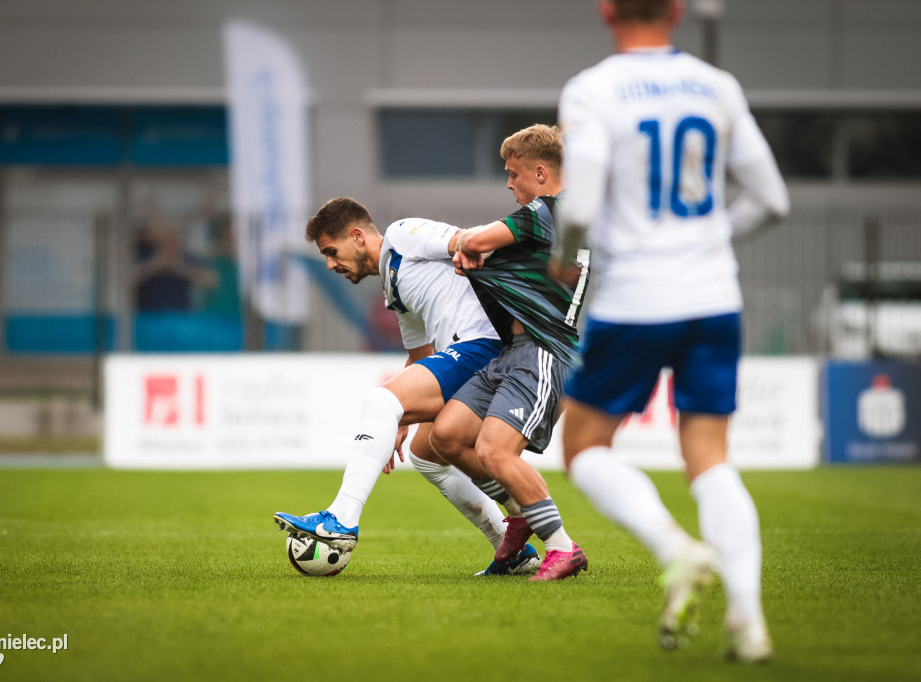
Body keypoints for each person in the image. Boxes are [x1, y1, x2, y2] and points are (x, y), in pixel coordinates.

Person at [552, 0, 789, 661]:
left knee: (586, 447)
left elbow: (579, 202)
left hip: (636, 298)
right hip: (715, 295)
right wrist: (710, 236)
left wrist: (567, 252)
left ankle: (674, 549)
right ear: (679, 11)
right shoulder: (719, 86)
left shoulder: (594, 89)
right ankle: (749, 623)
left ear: (606, 11)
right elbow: (773, 200)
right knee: (710, 457)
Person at [274, 198, 542, 576]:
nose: (331, 265)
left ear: (356, 236)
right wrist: (398, 422)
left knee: (379, 400)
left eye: (332, 252)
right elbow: (419, 356)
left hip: (484, 346)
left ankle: (341, 519)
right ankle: (512, 551)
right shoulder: (393, 287)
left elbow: (465, 241)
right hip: (466, 353)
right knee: (425, 452)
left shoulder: (402, 235)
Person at [429, 124, 591, 581]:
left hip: (541, 350)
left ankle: (562, 547)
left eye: (513, 172)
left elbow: (475, 242)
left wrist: (468, 248)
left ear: (540, 173)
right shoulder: (557, 220)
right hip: (510, 351)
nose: (508, 183)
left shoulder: (548, 211)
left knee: (497, 452)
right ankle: (521, 515)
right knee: (448, 436)